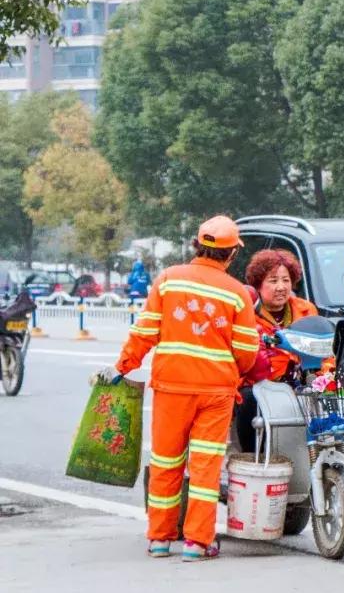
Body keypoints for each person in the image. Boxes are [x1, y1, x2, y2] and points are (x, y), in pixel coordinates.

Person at [100, 216, 261, 562]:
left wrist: (121, 367)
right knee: (204, 468)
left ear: (195, 246)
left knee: (166, 462)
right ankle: (197, 543)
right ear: (231, 254)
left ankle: (159, 539)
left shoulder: (168, 280)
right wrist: (232, 371)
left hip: (171, 389)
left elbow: (144, 333)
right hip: (216, 393)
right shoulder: (236, 293)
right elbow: (247, 352)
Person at [233, 249, 319, 453]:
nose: (281, 287)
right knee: (248, 400)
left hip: (299, 382)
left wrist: (322, 376)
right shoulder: (247, 315)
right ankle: (252, 459)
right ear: (258, 284)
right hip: (261, 385)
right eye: (273, 280)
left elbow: (321, 348)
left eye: (286, 280)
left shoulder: (306, 310)